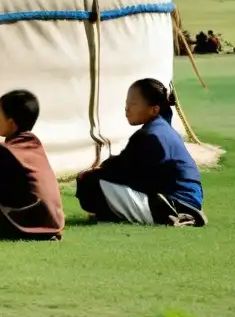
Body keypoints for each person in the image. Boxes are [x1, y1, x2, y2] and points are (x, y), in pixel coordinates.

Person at [76, 79, 206, 226]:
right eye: (127, 103)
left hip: (178, 203)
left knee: (89, 182)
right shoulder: (160, 128)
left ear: (154, 110)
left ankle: (163, 214)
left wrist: (98, 172)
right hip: (187, 200)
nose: (127, 108)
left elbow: (130, 173)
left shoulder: (153, 135)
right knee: (101, 178)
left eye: (133, 104)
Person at [0, 90, 64, 241]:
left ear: (11, 123)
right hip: (52, 223)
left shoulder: (4, 150)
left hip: (23, 224)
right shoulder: (36, 145)